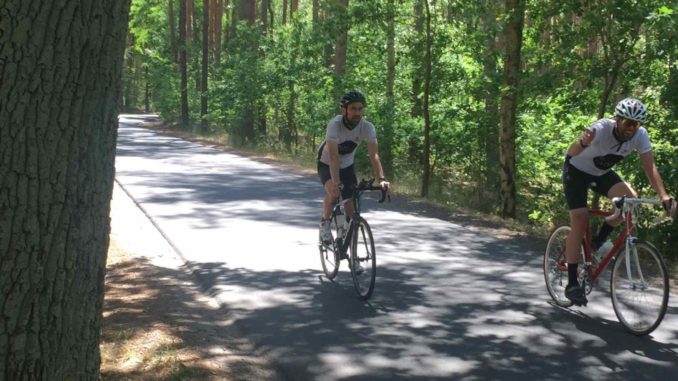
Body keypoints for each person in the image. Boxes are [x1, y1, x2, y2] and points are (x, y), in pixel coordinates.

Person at [561, 97, 675, 306]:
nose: (631, 128)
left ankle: (598, 240)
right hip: (576, 171)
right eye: (627, 123)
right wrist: (583, 142)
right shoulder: (602, 129)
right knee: (580, 217)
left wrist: (664, 196)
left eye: (636, 124)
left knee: (630, 201)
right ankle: (571, 284)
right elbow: (572, 152)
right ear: (617, 119)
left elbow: (650, 167)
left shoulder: (640, 136)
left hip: (600, 173)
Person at [317, 91, 390, 247]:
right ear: (344, 110)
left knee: (350, 203)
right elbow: (333, 158)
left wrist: (382, 179)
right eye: (353, 109)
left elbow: (374, 155)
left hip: (347, 164)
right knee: (334, 192)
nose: (357, 112)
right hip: (326, 163)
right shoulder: (335, 125)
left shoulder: (367, 127)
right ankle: (324, 224)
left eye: (360, 109)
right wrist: (336, 183)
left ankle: (352, 254)